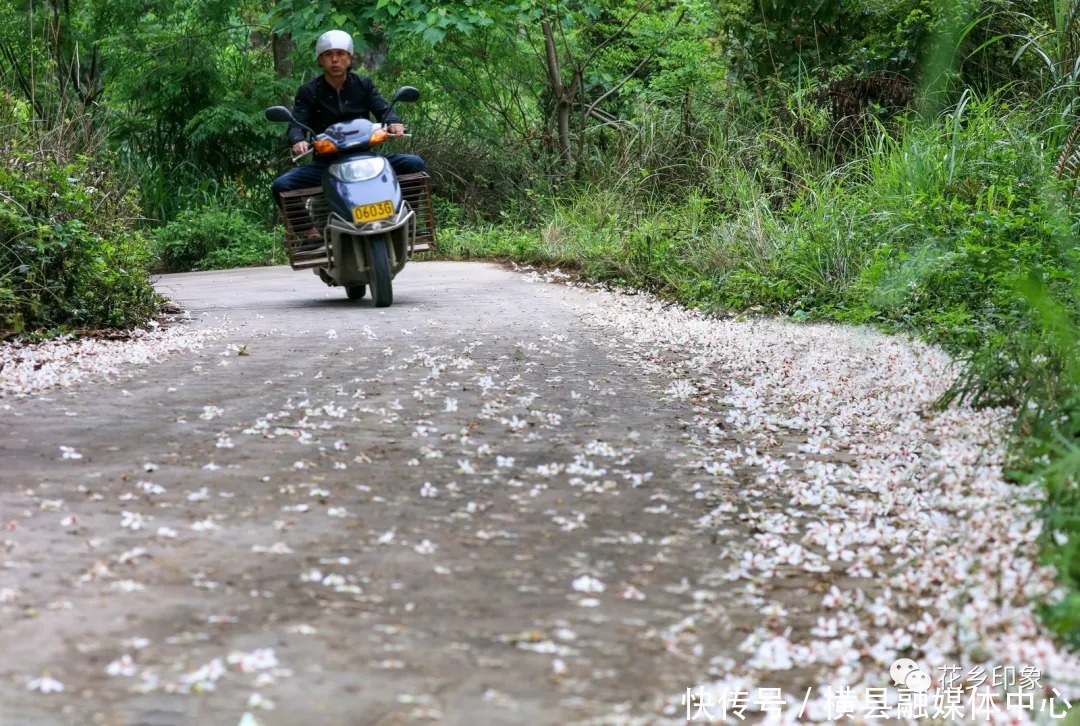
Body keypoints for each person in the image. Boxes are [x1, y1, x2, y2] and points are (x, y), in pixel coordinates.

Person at [271, 30, 426, 234]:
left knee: (415, 164)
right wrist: (297, 139)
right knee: (281, 185)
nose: (335, 59)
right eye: (328, 54)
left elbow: (383, 110)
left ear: (349, 57)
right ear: (320, 59)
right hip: (327, 163)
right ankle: (310, 235)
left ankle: (406, 219)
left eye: (340, 53)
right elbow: (297, 123)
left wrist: (394, 123)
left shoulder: (363, 85)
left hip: (366, 158)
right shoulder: (308, 91)